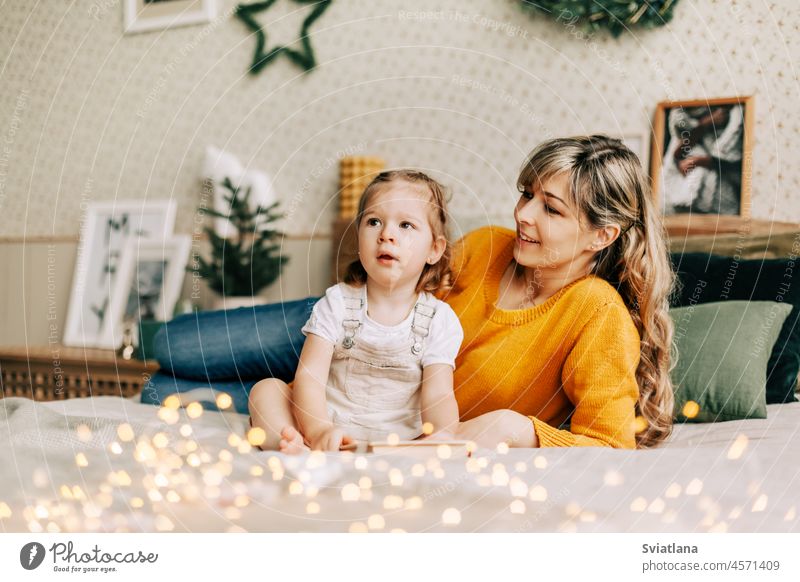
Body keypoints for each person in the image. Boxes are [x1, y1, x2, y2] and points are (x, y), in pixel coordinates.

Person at [148, 135, 675, 450]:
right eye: (526, 194)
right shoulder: (491, 246)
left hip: (386, 408)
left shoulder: (596, 313)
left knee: (158, 395)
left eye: (551, 208)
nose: (522, 214)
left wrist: (520, 429)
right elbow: (399, 265)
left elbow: (609, 444)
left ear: (602, 235)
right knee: (173, 346)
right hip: (348, 331)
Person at [248, 170, 464, 452]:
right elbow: (310, 377)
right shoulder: (337, 302)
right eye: (374, 222)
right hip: (327, 427)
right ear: (358, 238)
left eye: (406, 225)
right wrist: (319, 428)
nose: (387, 235)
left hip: (398, 442)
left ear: (434, 250)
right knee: (265, 390)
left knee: (447, 430)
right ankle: (293, 445)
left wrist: (443, 436)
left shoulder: (439, 320)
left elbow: (438, 394)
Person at [661, 104, 744, 215]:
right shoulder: (680, 115)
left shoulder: (735, 115)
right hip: (684, 201)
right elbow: (678, 154)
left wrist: (700, 161)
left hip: (724, 201)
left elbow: (735, 163)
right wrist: (706, 123)